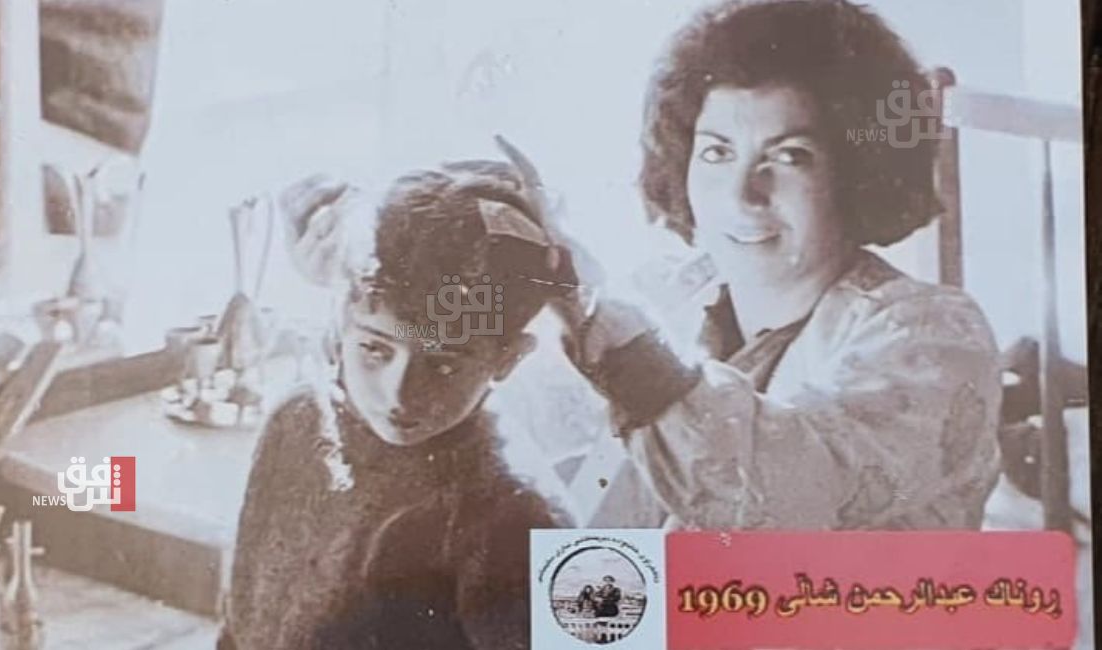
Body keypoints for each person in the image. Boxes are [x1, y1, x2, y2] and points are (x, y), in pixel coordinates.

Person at [542, 0, 1002, 530]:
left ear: (856, 175)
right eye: (717, 153)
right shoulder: (675, 294)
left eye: (789, 156)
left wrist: (612, 334)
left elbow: (784, 491)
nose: (742, 195)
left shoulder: (933, 334)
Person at [216, 160, 575, 650]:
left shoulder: (515, 512)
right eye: (374, 349)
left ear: (508, 358)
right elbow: (238, 622)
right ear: (341, 324)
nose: (400, 392)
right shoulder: (294, 422)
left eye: (443, 366)